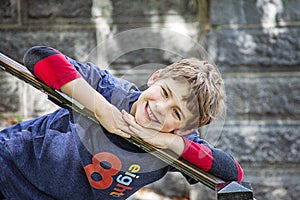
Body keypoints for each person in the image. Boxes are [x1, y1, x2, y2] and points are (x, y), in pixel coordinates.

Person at [0, 46, 243, 199]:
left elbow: (233, 172)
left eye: (176, 113)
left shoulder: (177, 143)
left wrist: (166, 141)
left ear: (186, 128)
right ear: (154, 78)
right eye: (165, 93)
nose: (160, 107)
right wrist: (102, 108)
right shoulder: (110, 90)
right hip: (9, 170)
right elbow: (39, 56)